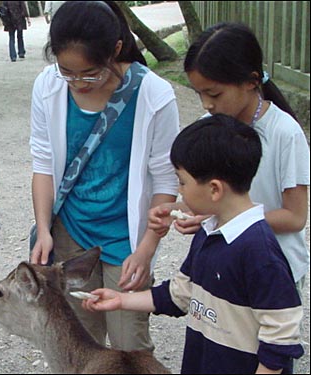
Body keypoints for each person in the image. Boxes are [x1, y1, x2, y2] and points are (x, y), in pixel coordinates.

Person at [83, 114, 304, 374]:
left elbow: (280, 337)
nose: (179, 190)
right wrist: (120, 300)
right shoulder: (209, 232)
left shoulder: (259, 252)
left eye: (182, 181)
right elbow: (179, 295)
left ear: (214, 189)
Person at [29, 1, 180, 352]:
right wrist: (43, 229)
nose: (78, 83)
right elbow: (43, 163)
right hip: (70, 230)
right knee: (80, 341)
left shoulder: (154, 95)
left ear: (115, 49)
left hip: (126, 238)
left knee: (129, 344)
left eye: (90, 73)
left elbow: (165, 180)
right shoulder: (48, 86)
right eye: (67, 71)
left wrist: (145, 250)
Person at [148, 22, 310, 294]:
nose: (206, 104)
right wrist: (178, 209)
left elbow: (294, 217)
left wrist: (222, 219)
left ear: (251, 81)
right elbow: (212, 197)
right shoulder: (209, 127)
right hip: (225, 267)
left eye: (214, 94)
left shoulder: (284, 133)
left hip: (272, 271)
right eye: (199, 94)